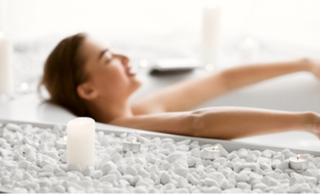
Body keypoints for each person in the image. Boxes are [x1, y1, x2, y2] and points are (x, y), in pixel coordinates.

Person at [39, 33, 320, 139]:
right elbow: (198, 124)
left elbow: (222, 80)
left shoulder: (141, 109)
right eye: (108, 57)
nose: (125, 57)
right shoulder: (121, 125)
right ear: (88, 90)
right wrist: (308, 122)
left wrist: (304, 63)